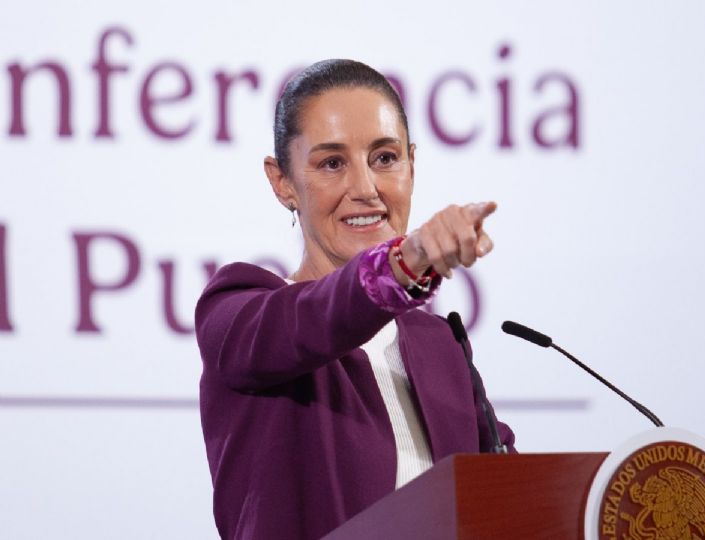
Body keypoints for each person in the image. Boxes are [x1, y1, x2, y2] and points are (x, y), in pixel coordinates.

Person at [194, 59, 516, 539]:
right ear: (282, 181)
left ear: (411, 162)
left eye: (385, 158)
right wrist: (407, 261)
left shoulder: (440, 346)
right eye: (331, 163)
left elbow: (514, 497)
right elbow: (319, 317)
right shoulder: (240, 314)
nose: (365, 189)